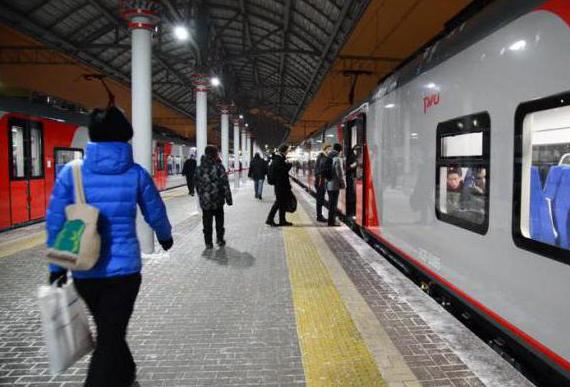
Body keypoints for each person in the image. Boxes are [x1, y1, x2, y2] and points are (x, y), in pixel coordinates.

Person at [46, 106, 173, 387]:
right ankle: (112, 377)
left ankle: (127, 373)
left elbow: (55, 221)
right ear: (124, 138)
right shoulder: (136, 173)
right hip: (124, 273)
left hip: (85, 271)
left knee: (110, 330)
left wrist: (57, 266)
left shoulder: (71, 173)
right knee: (110, 335)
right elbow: (155, 210)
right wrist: (165, 236)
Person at [195, 145, 233, 249]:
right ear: (215, 154)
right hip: (218, 199)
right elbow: (225, 184)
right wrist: (229, 199)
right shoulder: (219, 167)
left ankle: (208, 243)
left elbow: (197, 185)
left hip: (206, 201)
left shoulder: (199, 168)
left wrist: (202, 195)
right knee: (219, 221)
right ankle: (220, 240)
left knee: (207, 222)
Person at [266, 144, 293, 227]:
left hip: (281, 185)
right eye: (288, 150)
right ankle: (270, 219)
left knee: (282, 203)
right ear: (284, 150)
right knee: (278, 203)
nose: (289, 151)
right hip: (280, 185)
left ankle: (282, 220)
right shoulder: (278, 159)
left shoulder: (279, 158)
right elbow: (281, 172)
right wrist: (289, 166)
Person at [326, 143, 345, 226]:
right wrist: (343, 183)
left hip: (328, 183)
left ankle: (330, 220)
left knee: (331, 203)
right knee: (333, 204)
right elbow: (339, 173)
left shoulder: (329, 156)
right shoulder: (337, 158)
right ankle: (331, 222)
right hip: (334, 185)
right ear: (340, 150)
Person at [314, 144, 332, 222]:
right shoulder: (322, 157)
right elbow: (320, 169)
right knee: (320, 199)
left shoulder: (323, 157)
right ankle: (319, 216)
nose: (330, 150)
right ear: (325, 149)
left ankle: (319, 216)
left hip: (321, 181)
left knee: (320, 199)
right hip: (320, 181)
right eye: (329, 149)